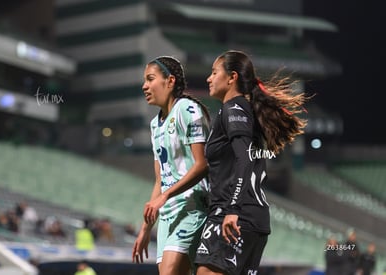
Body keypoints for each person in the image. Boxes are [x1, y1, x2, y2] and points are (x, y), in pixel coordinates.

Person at [195, 50, 308, 275]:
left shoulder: (233, 109)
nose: (209, 78)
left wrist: (232, 209)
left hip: (234, 216)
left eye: (214, 72)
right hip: (253, 219)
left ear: (232, 77)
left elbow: (244, 157)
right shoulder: (246, 112)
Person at [132, 56, 211, 275]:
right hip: (167, 215)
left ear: (170, 81)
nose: (144, 86)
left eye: (150, 79)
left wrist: (165, 196)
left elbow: (202, 165)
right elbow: (161, 180)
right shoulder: (154, 125)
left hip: (191, 206)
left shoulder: (187, 109)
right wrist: (145, 230)